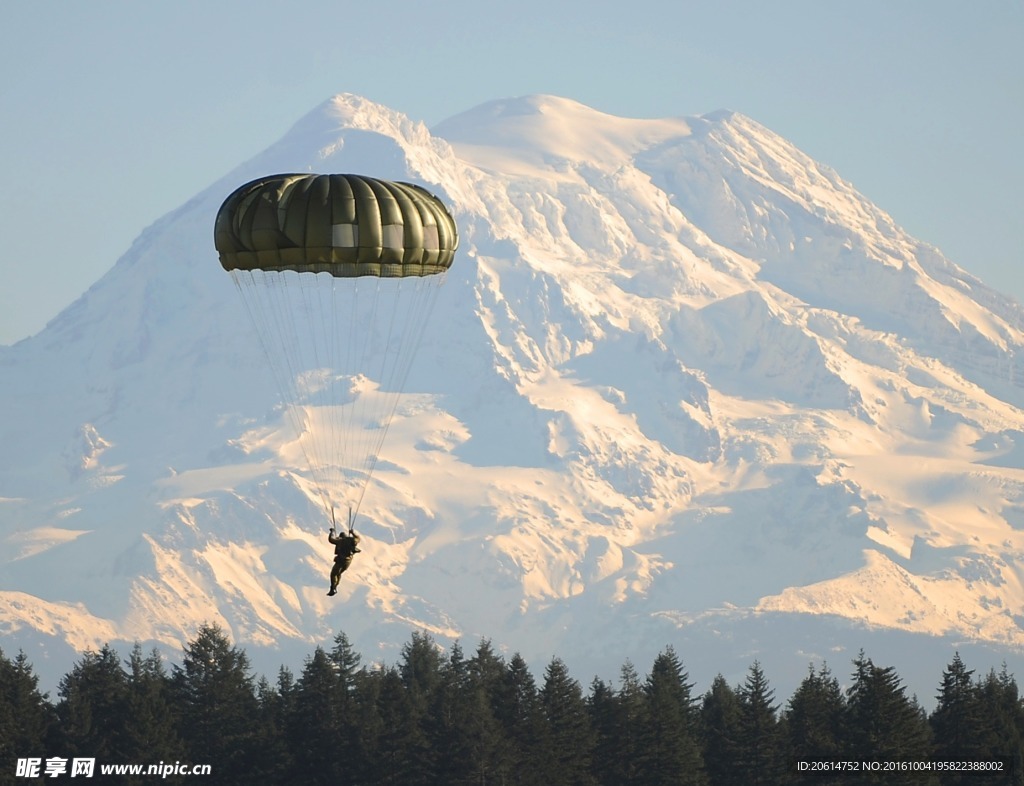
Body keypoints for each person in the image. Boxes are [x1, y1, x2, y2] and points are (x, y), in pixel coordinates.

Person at [327, 526, 361, 596]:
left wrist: (332, 531)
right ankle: (335, 587)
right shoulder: (353, 540)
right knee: (339, 573)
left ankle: (333, 588)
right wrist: (352, 533)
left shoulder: (340, 541)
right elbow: (358, 538)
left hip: (341, 560)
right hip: (348, 562)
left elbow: (331, 539)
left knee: (334, 574)